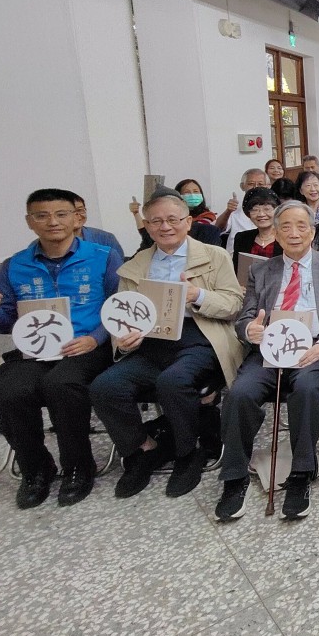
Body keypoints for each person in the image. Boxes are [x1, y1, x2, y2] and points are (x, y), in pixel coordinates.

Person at [90, 188, 245, 500]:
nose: (165, 227)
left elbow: (233, 304)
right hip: (150, 342)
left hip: (200, 337)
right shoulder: (136, 265)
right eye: (156, 221)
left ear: (188, 222)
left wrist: (198, 296)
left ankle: (189, 452)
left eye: (173, 219)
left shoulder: (214, 256)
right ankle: (142, 449)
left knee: (172, 382)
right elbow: (123, 313)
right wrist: (125, 339)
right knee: (105, 387)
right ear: (146, 226)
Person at [0, 189, 122, 508]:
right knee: (11, 393)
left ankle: (78, 468)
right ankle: (36, 470)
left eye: (61, 214)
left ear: (76, 218)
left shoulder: (103, 256)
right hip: (35, 350)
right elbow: (5, 321)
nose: (52, 222)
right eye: (42, 215)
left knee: (62, 385)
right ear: (30, 222)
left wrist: (96, 338)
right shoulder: (15, 265)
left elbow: (120, 306)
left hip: (85, 346)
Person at [214, 201, 319, 522]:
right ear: (275, 233)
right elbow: (245, 317)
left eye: (301, 226)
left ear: (313, 232)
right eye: (285, 227)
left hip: (315, 349)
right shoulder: (261, 270)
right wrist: (250, 329)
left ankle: (301, 473)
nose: (294, 233)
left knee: (306, 389)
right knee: (240, 393)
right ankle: (234, 477)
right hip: (270, 349)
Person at [219, 168, 270, 251]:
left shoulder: (274, 212)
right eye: (251, 184)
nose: (256, 187)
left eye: (260, 184)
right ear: (242, 186)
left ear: (268, 186)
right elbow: (217, 229)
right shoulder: (234, 212)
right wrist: (228, 211)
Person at [231, 187, 281, 268]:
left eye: (267, 209)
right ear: (248, 213)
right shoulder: (242, 238)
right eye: (255, 210)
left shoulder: (285, 238)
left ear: (277, 211)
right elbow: (237, 269)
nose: (261, 214)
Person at [69, 193, 125, 258]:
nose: (76, 215)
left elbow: (119, 263)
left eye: (80, 210)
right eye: (69, 212)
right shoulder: (58, 241)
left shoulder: (106, 238)